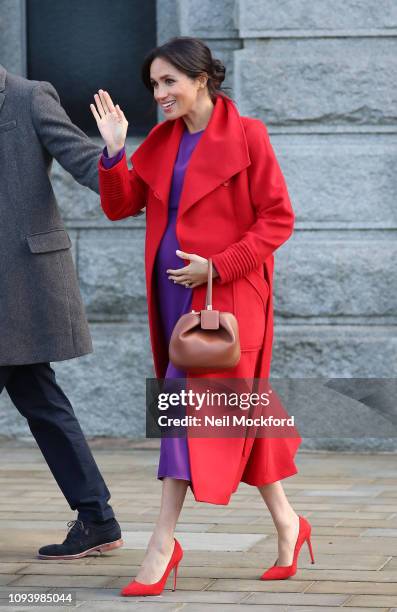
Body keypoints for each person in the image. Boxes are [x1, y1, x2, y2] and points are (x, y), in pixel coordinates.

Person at [91, 36, 313, 596]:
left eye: (169, 81)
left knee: (184, 415)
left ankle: (162, 543)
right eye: (154, 85)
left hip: (227, 302)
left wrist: (217, 267)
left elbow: (277, 220)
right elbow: (120, 206)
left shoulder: (248, 135)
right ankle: (290, 524)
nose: (159, 94)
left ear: (200, 79)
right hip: (173, 303)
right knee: (239, 415)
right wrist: (115, 150)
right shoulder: (162, 142)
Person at [0, 64, 123, 559]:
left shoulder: (29, 98)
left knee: (43, 401)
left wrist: (115, 153)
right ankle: (97, 517)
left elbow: (83, 161)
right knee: (42, 400)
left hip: (22, 284)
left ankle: (97, 516)